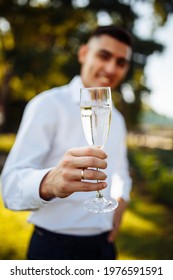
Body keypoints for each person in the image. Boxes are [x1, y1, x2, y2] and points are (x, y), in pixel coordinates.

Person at [1, 25, 133, 260]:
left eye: (121, 62)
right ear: (83, 53)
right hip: (54, 248)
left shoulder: (118, 119)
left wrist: (122, 201)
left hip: (104, 247)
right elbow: (9, 188)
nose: (112, 68)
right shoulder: (47, 105)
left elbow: (121, 172)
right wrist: (50, 182)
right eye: (104, 55)